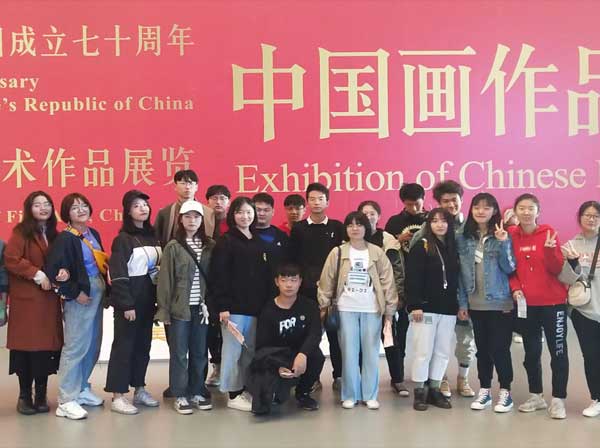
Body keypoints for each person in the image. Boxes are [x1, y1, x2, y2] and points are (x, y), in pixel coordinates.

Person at [318, 211, 397, 410]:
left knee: (371, 352)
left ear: (366, 228)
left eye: (359, 224)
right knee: (349, 353)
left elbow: (388, 282)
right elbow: (326, 281)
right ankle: (350, 394)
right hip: (345, 308)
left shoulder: (376, 252)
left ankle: (370, 394)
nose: (355, 228)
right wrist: (323, 305)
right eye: (350, 225)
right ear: (346, 229)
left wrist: (389, 310)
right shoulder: (338, 252)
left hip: (372, 309)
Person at [410, 180, 475, 398]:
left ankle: (463, 378)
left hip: (464, 296)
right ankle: (440, 380)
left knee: (465, 340)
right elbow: (416, 265)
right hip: (436, 300)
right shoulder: (426, 231)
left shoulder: (470, 227)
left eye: (454, 200)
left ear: (461, 200)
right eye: (445, 201)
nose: (450, 205)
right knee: (434, 345)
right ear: (438, 203)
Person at [46, 192, 107, 420]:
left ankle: (81, 388)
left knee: (93, 345)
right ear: (66, 214)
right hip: (81, 296)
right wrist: (74, 293)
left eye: (84, 205)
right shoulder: (65, 238)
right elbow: (53, 271)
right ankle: (66, 399)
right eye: (74, 207)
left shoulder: (93, 233)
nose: (81, 210)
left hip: (97, 291)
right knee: (76, 346)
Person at [509, 193, 569, 419]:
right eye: (522, 208)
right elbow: (509, 268)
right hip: (527, 306)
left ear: (538, 211)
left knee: (558, 352)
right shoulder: (511, 235)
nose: (526, 212)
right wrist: (515, 287)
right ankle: (536, 395)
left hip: (554, 304)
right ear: (515, 211)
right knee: (531, 352)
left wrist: (550, 250)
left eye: (530, 208)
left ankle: (558, 399)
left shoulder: (548, 233)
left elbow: (556, 268)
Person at [456, 193, 516, 413]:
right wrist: (463, 303)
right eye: (477, 207)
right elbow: (460, 275)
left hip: (500, 303)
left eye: (486, 207)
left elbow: (510, 267)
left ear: (494, 211)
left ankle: (506, 392)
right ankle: (485, 390)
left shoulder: (503, 235)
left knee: (500, 349)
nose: (481, 211)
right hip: (475, 303)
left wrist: (503, 243)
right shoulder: (462, 237)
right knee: (482, 350)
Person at [210, 196, 272, 412]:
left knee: (249, 352)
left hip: (255, 308)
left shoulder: (257, 241)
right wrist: (223, 306)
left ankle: (244, 388)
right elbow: (219, 276)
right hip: (233, 308)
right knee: (232, 351)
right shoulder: (226, 241)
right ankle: (232, 393)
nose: (245, 216)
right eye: (240, 212)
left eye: (248, 212)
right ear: (232, 215)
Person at [4, 192, 62, 415]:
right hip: (27, 301)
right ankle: (24, 396)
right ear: (29, 209)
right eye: (37, 205)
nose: (43, 208)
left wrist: (63, 273)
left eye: (47, 204)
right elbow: (11, 260)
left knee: (44, 350)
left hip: (48, 300)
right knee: (25, 350)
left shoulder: (55, 234)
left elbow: (61, 260)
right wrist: (37, 274)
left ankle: (41, 394)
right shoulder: (21, 232)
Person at [105, 190, 162, 415]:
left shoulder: (153, 236)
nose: (143, 208)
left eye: (145, 205)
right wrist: (126, 304)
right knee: (124, 347)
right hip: (130, 303)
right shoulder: (123, 239)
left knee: (143, 347)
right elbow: (118, 273)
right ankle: (118, 395)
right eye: (137, 205)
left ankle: (139, 389)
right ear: (128, 211)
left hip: (148, 302)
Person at [155, 200, 214, 415]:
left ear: (202, 220)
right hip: (179, 308)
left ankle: (197, 390)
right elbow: (165, 280)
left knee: (199, 352)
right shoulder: (173, 246)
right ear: (180, 220)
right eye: (187, 216)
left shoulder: (210, 245)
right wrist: (164, 310)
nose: (192, 221)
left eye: (196, 217)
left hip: (202, 309)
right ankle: (179, 394)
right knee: (179, 353)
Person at [288, 182, 344, 391]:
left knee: (335, 335)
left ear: (327, 202)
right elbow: (293, 260)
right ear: (307, 202)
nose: (316, 202)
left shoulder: (337, 227)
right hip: (307, 292)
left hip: (333, 292)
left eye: (320, 199)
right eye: (312, 199)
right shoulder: (299, 228)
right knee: (309, 336)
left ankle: (339, 375)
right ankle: (312, 378)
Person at [248, 263, 324, 415]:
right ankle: (273, 393)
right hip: (278, 356)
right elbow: (262, 346)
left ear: (300, 282)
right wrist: (277, 366)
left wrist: (303, 354)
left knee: (317, 356)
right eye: (284, 280)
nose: (289, 285)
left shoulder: (309, 306)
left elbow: (315, 334)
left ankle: (303, 393)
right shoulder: (268, 310)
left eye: (293, 280)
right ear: (277, 282)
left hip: (299, 352)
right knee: (268, 395)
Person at [405, 208, 459, 411]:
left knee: (442, 351)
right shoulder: (421, 245)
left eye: (444, 221)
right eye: (435, 221)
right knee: (423, 351)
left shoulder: (453, 246)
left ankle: (435, 389)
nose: (439, 225)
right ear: (428, 224)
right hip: (425, 309)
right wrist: (415, 305)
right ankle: (420, 391)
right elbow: (412, 277)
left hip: (448, 308)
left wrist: (460, 305)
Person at [359, 200, 409, 397]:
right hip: (360, 301)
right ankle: (361, 380)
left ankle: (398, 380)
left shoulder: (388, 240)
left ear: (378, 217)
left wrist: (397, 297)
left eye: (372, 213)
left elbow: (398, 271)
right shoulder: (352, 238)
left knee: (390, 341)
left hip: (383, 301)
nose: (368, 216)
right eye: (365, 213)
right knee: (361, 343)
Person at [559, 201, 600, 418]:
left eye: (596, 215)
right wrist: (573, 263)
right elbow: (564, 278)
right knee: (591, 356)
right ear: (580, 218)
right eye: (587, 215)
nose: (592, 219)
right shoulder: (570, 246)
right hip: (584, 311)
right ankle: (597, 398)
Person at [204, 184, 232, 387]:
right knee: (211, 329)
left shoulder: (234, 224)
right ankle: (217, 366)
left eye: (222, 198)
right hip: (206, 284)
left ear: (228, 202)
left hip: (230, 284)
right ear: (207, 202)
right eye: (214, 198)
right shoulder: (201, 223)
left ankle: (232, 368)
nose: (218, 202)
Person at [155, 169, 216, 245]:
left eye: (190, 183)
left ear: (196, 187)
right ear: (175, 186)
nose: (187, 187)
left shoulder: (209, 213)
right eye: (183, 183)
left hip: (202, 251)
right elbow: (157, 239)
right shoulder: (165, 212)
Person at [253, 193, 289, 285]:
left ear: (273, 212)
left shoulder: (282, 236)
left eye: (266, 210)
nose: (262, 213)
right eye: (258, 210)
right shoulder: (243, 235)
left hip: (277, 286)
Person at [385, 183, 427, 253]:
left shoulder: (432, 220)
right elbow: (385, 248)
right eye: (409, 204)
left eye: (417, 204)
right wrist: (398, 240)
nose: (414, 208)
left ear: (424, 199)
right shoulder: (394, 222)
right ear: (403, 202)